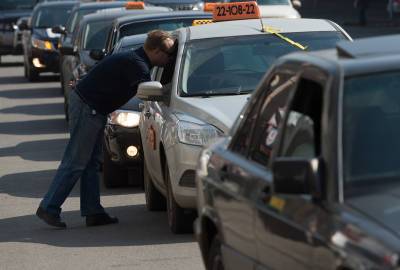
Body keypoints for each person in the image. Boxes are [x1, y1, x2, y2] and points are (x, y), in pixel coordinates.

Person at [36, 30, 176, 228]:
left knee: (91, 163)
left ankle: (93, 212)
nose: (170, 58)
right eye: (168, 53)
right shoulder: (137, 64)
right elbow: (151, 94)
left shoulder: (136, 59)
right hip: (88, 108)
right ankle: (49, 207)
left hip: (92, 108)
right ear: (154, 50)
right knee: (75, 161)